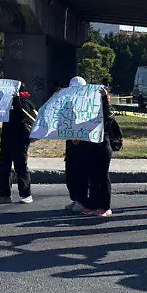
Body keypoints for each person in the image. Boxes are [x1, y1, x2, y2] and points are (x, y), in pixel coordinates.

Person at [0, 84, 37, 204]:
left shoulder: (26, 103)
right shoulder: (5, 103)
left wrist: (17, 99)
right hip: (7, 137)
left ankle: (26, 194)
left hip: (20, 138)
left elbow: (28, 115)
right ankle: (4, 195)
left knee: (20, 166)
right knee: (4, 166)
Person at [83, 85, 116, 217]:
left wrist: (104, 99)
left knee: (102, 175)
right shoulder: (89, 109)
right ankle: (93, 204)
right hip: (91, 144)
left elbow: (108, 118)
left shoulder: (108, 109)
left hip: (103, 144)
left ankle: (105, 206)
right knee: (92, 175)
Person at [64, 77, 90, 213]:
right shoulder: (68, 101)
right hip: (71, 141)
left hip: (83, 143)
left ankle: (82, 201)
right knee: (71, 172)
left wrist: (79, 136)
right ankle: (75, 199)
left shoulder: (87, 103)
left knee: (81, 173)